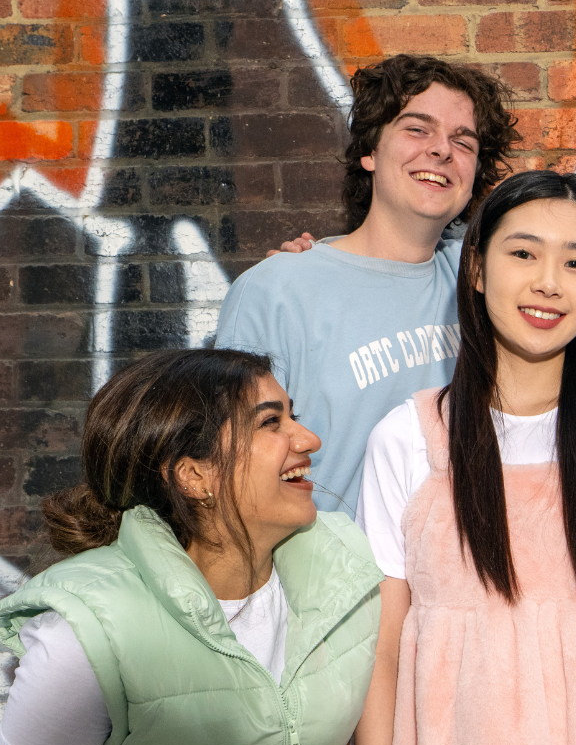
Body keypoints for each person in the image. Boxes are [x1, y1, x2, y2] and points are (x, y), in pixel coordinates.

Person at [357, 171, 576, 745]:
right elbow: (384, 645)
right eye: (523, 253)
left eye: (575, 264)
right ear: (476, 268)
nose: (547, 283)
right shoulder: (407, 439)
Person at [0, 348, 382, 745]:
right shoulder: (86, 632)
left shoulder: (343, 573)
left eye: (292, 417)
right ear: (194, 476)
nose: (309, 440)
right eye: (270, 422)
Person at [215, 54, 520, 519]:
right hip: (338, 583)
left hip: (462, 581)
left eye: (463, 141)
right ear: (370, 152)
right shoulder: (277, 290)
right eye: (417, 129)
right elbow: (234, 473)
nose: (442, 150)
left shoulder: (486, 277)